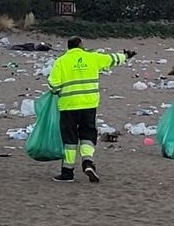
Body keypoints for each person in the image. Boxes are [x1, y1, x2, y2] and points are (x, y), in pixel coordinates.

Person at [47, 37, 132, 182]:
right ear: (81, 45)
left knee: (70, 139)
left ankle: (67, 173)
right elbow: (111, 59)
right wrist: (125, 56)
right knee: (88, 134)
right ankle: (88, 162)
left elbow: (53, 85)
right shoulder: (92, 57)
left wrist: (59, 91)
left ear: (68, 47)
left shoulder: (61, 61)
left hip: (69, 105)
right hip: (89, 104)